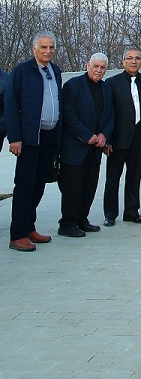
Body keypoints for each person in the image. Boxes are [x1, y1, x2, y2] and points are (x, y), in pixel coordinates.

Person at [5, 32, 62, 251]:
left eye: (51, 48)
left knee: (39, 185)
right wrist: (15, 138)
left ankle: (29, 227)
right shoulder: (22, 72)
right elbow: (11, 106)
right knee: (25, 186)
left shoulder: (54, 71)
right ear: (34, 48)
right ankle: (17, 234)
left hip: (48, 137)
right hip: (29, 139)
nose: (47, 51)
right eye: (43, 47)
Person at [58, 53, 114, 237]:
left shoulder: (105, 88)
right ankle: (67, 223)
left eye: (102, 67)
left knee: (90, 185)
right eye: (95, 66)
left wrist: (103, 135)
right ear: (87, 64)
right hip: (76, 146)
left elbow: (110, 115)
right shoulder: (73, 85)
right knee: (72, 186)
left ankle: (82, 219)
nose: (99, 70)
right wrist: (86, 135)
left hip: (95, 148)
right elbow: (68, 114)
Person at [104, 47, 141, 225]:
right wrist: (108, 139)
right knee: (113, 177)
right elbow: (107, 113)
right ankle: (110, 214)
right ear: (122, 62)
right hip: (118, 139)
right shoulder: (112, 83)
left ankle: (131, 212)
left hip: (140, 137)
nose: (133, 61)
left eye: (137, 58)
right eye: (129, 58)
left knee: (134, 176)